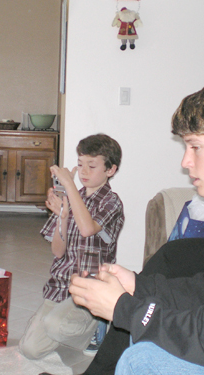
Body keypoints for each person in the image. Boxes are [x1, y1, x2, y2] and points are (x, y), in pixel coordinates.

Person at [70, 79, 204, 374]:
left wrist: (125, 310)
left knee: (141, 360)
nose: (185, 161)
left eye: (195, 147)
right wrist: (139, 286)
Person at [19, 133, 125, 359]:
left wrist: (68, 184)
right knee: (30, 349)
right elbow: (57, 251)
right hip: (62, 284)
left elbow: (87, 228)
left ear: (111, 170)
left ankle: (94, 329)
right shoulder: (72, 197)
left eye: (92, 165)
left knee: (55, 324)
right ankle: (69, 331)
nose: (84, 172)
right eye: (80, 165)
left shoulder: (111, 202)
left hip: (90, 286)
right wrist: (63, 217)